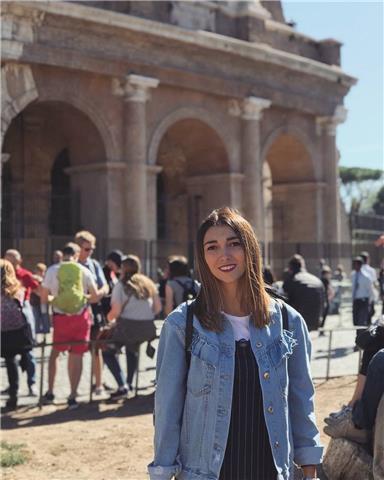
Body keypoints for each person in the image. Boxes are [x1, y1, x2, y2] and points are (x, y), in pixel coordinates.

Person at [149, 207, 323, 480]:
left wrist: (309, 463)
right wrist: (162, 471)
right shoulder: (182, 325)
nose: (224, 255)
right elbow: (167, 408)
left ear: (250, 248)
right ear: (203, 257)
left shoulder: (288, 322)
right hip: (207, 472)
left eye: (234, 244)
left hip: (272, 469)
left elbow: (302, 399)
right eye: (212, 247)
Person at [41, 243, 102, 409]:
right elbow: (95, 297)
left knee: (55, 354)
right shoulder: (84, 270)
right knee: (77, 355)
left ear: (64, 254)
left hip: (60, 318)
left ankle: (50, 391)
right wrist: (83, 298)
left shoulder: (52, 270)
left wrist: (57, 300)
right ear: (76, 254)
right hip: (80, 318)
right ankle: (73, 395)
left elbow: (45, 298)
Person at [102, 257, 161, 398]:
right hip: (147, 328)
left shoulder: (121, 285)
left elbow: (115, 311)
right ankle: (129, 384)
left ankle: (123, 385)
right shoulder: (147, 283)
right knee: (131, 350)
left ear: (122, 268)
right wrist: (144, 315)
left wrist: (108, 320)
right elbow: (158, 308)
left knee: (107, 352)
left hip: (127, 327)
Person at [75, 230, 109, 395]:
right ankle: (75, 387)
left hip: (95, 311)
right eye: (87, 249)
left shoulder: (94, 265)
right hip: (78, 311)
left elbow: (105, 286)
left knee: (96, 348)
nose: (89, 252)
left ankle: (98, 385)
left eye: (91, 249)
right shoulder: (72, 267)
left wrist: (98, 294)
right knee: (77, 350)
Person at [4, 249, 40, 396]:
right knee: (10, 358)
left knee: (28, 353)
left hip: (23, 318)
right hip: (8, 324)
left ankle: (32, 384)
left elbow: (38, 289)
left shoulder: (25, 275)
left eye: (12, 259)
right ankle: (14, 388)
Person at [1, 259, 34, 411]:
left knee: (9, 360)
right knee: (15, 358)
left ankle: (13, 393)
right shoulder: (17, 290)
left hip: (2, 332)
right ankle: (19, 390)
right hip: (18, 331)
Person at [283, 254, 325, 332]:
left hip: (298, 320)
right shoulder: (317, 280)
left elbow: (284, 300)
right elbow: (325, 304)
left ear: (290, 268)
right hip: (315, 320)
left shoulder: (291, 279)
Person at [352, 256, 374, 341]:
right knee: (356, 322)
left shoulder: (366, 277)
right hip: (356, 301)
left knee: (361, 322)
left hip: (364, 301)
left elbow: (370, 291)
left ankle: (360, 341)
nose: (355, 266)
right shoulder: (353, 275)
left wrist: (370, 303)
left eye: (357, 264)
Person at [31, 263, 50, 335]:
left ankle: (46, 335)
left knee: (45, 317)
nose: (42, 273)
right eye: (41, 271)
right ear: (36, 271)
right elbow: (35, 290)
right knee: (36, 318)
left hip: (43, 302)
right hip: (35, 302)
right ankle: (36, 335)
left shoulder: (45, 279)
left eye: (44, 271)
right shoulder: (33, 278)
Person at [360, 251, 378, 321]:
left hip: (360, 297)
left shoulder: (357, 271)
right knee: (369, 314)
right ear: (367, 259)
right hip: (369, 296)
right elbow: (374, 283)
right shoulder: (371, 270)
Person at [319, 266, 335, 334]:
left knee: (322, 316)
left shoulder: (321, 280)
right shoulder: (325, 281)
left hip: (323, 300)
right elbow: (330, 290)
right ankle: (321, 330)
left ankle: (321, 330)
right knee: (323, 316)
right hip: (325, 300)